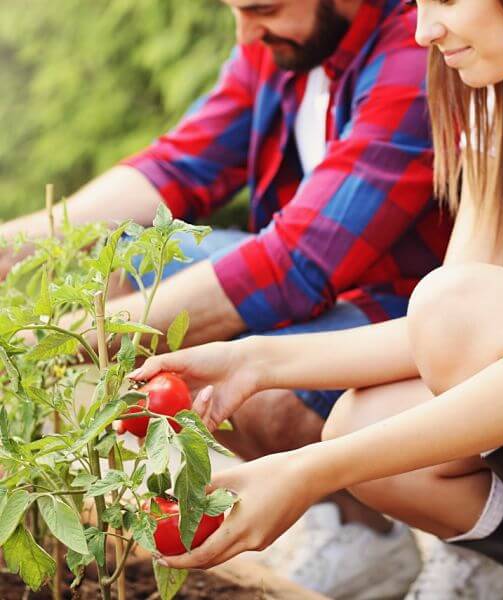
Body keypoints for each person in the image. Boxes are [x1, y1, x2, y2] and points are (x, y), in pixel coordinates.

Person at [130, 0, 503, 598]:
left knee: (457, 312)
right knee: (361, 421)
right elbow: (434, 339)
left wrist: (307, 473)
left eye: (448, 2)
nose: (425, 29)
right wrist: (256, 361)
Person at [0, 1, 465, 596]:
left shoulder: (416, 52)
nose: (244, 33)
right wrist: (15, 245)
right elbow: (174, 166)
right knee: (111, 265)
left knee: (251, 386)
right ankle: (365, 536)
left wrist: (48, 344)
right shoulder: (284, 44)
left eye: (261, 9)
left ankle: (474, 544)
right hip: (340, 292)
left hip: (420, 314)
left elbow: (294, 263)